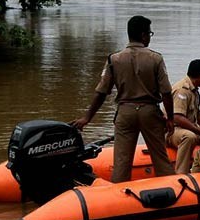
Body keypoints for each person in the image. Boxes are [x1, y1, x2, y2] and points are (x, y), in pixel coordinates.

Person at [71, 15, 175, 183]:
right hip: (149, 112)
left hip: (125, 113)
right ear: (143, 35)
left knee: (121, 162)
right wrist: (170, 118)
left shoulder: (114, 59)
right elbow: (166, 92)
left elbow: (101, 91)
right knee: (161, 159)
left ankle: (117, 198)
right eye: (149, 33)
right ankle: (172, 191)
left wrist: (87, 117)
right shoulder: (156, 58)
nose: (149, 37)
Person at [170, 59, 200, 174]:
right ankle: (181, 173)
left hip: (187, 127)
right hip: (173, 130)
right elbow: (177, 117)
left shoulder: (195, 92)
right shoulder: (182, 90)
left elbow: (198, 116)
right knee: (189, 137)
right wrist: (199, 130)